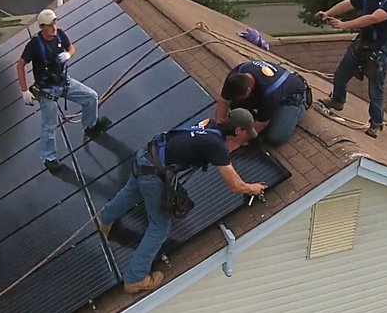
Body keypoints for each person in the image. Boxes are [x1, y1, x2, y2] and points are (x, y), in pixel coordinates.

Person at [97, 109, 269, 293]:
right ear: (237, 131)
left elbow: (202, 140)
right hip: (153, 175)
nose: (246, 138)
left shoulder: (209, 124)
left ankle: (105, 220)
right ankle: (135, 279)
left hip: (145, 157)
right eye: (246, 133)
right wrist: (252, 188)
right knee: (159, 229)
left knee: (130, 192)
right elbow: (235, 186)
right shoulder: (215, 145)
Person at [16, 9, 111, 173]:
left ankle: (90, 125)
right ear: (41, 27)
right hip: (47, 91)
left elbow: (71, 47)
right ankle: (49, 158)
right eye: (49, 25)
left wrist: (68, 54)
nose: (54, 27)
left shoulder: (59, 34)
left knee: (91, 97)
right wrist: (24, 90)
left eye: (55, 22)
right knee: (49, 126)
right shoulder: (34, 45)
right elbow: (20, 65)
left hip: (64, 82)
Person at [315, 0, 387, 138]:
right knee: (341, 74)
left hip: (379, 50)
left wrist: (344, 25)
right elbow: (349, 4)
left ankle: (376, 123)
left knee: (375, 88)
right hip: (363, 43)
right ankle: (337, 101)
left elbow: (373, 18)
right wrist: (328, 13)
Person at [216, 59, 311, 146]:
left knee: (275, 136)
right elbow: (224, 101)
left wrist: (238, 142)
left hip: (293, 96)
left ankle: (297, 109)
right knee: (234, 105)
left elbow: (261, 123)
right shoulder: (236, 75)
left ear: (248, 90)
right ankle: (266, 111)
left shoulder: (270, 92)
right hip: (269, 91)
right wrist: (219, 129)